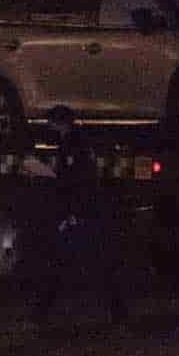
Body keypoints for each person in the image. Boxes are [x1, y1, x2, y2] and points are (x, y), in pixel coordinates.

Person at [36, 106, 128, 324]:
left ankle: (41, 312)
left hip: (79, 215)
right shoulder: (79, 143)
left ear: (59, 123)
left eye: (52, 123)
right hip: (85, 213)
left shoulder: (71, 145)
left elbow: (75, 181)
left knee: (61, 262)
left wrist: (71, 213)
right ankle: (117, 311)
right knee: (95, 264)